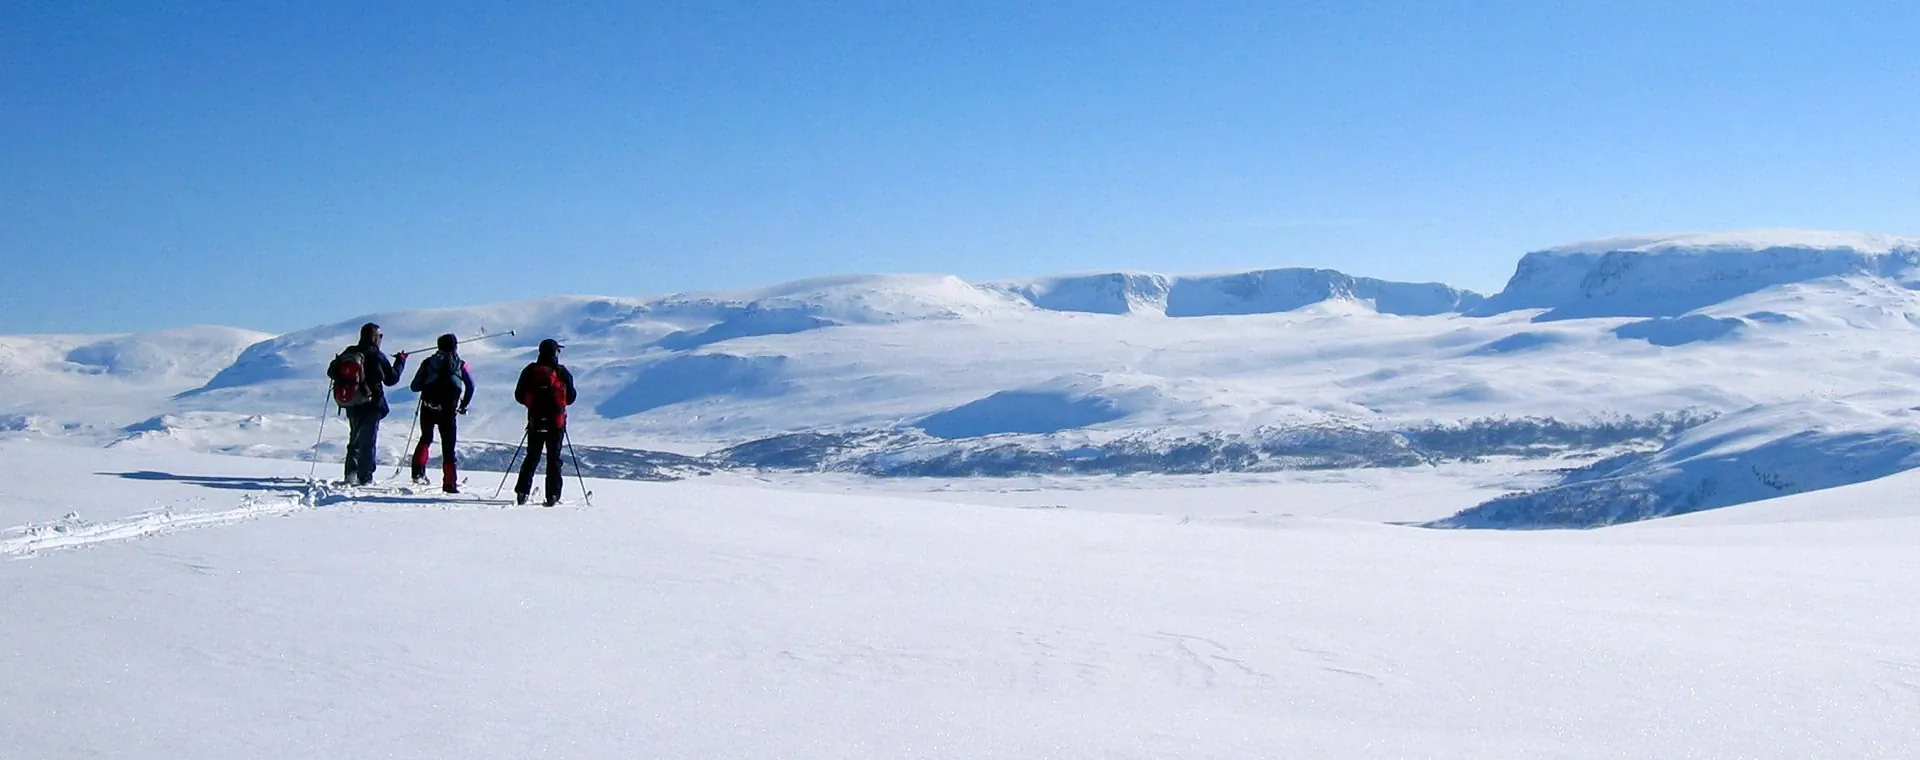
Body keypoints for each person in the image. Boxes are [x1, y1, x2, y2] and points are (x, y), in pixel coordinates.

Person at [326, 322, 408, 485]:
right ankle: (365, 476)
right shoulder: (376, 355)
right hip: (372, 402)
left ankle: (351, 472)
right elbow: (391, 379)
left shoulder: (350, 352)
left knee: (354, 438)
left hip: (351, 401)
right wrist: (401, 361)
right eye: (380, 336)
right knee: (368, 441)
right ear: (374, 337)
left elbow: (331, 372)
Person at [513, 338, 577, 506]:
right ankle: (553, 495)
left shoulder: (529, 371)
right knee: (553, 458)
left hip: (535, 420)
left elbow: (519, 395)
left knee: (532, 456)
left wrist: (533, 404)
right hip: (556, 422)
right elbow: (571, 398)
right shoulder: (562, 372)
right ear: (556, 352)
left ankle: (522, 492)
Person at [408, 333, 475, 493]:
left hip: (428, 407)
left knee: (426, 438)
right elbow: (470, 387)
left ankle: (418, 473)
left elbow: (414, 386)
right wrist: (463, 405)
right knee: (448, 446)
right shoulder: (461, 365)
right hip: (448, 411)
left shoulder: (428, 363)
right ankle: (449, 483)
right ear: (455, 346)